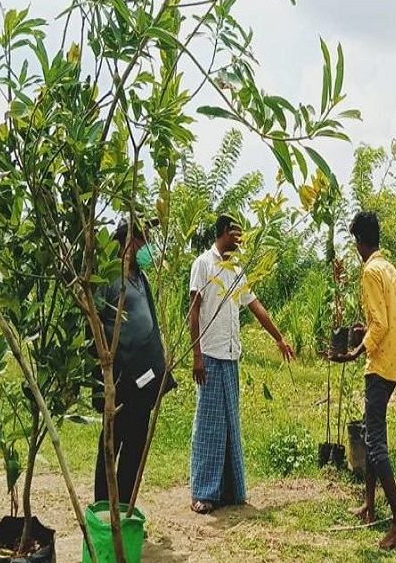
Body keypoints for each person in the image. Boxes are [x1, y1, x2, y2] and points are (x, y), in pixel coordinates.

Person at [188, 214, 294, 514]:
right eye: (237, 235)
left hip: (231, 357)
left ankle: (230, 489)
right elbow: (193, 312)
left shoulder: (236, 270)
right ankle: (203, 493)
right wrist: (196, 355)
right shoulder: (203, 265)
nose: (241, 241)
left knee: (229, 426)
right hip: (209, 355)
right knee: (209, 426)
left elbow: (255, 305)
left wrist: (278, 337)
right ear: (224, 233)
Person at [331, 210, 396, 550]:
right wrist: (368, 332)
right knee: (370, 431)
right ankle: (369, 505)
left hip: (379, 364)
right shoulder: (389, 269)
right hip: (392, 361)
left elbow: (379, 325)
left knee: (375, 442)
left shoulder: (370, 271)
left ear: (359, 242)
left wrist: (355, 351)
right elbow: (387, 320)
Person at [93, 219, 174, 504]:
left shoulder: (141, 278)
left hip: (144, 376)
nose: (148, 248)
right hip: (119, 378)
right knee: (111, 444)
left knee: (136, 443)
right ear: (128, 241)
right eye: (144, 241)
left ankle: (125, 508)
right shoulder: (109, 277)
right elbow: (95, 323)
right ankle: (105, 508)